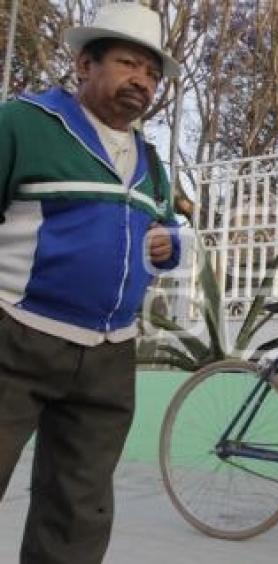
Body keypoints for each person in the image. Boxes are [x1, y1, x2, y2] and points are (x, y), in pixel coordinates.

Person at [0, 4, 181, 563]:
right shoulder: (23, 123)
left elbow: (165, 230)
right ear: (84, 63)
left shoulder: (151, 160)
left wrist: (171, 243)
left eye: (151, 73)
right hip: (16, 336)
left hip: (108, 355)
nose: (142, 81)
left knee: (79, 510)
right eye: (128, 63)